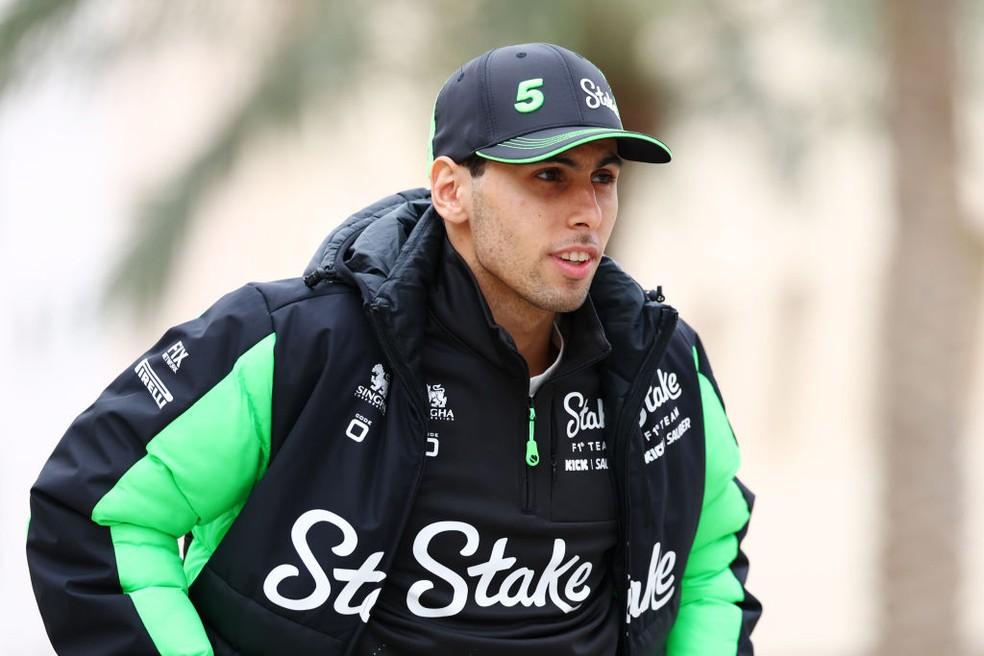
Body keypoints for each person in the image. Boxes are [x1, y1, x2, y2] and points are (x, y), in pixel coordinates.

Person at [27, 42, 760, 655]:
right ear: (451, 190)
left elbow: (707, 571)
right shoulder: (302, 343)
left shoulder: (660, 368)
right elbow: (96, 509)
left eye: (604, 178)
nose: (587, 211)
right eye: (548, 176)